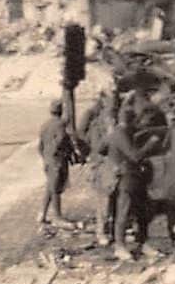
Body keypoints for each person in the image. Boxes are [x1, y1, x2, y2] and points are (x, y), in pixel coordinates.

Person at [108, 108, 161, 260]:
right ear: (131, 120)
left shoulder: (118, 133)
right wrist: (150, 145)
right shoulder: (121, 134)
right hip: (127, 177)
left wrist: (113, 158)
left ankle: (142, 243)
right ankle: (120, 246)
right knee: (123, 212)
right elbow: (135, 156)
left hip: (135, 176)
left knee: (142, 212)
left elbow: (101, 148)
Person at [86, 91, 120, 246]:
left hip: (112, 166)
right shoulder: (97, 126)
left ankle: (112, 230)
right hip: (101, 166)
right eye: (110, 108)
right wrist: (111, 133)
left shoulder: (116, 123)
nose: (112, 112)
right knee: (103, 203)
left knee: (114, 201)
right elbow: (98, 148)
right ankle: (101, 232)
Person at [37, 99, 77, 229]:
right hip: (57, 160)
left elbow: (40, 146)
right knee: (56, 189)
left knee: (50, 186)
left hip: (48, 160)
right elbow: (61, 141)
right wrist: (68, 153)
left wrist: (46, 157)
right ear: (61, 111)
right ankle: (57, 217)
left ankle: (42, 214)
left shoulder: (44, 125)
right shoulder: (60, 125)